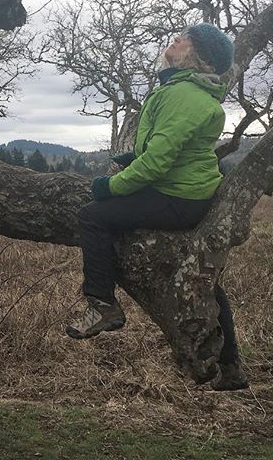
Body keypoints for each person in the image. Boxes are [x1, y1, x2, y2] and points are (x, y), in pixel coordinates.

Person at [67, 23, 248, 391]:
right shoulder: (183, 90)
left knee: (93, 216)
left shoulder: (183, 94)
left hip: (178, 196)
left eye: (185, 39)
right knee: (205, 281)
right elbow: (166, 148)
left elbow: (157, 165)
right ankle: (231, 369)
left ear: (197, 56)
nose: (176, 39)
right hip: (188, 192)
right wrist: (134, 155)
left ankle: (102, 304)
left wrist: (109, 187)